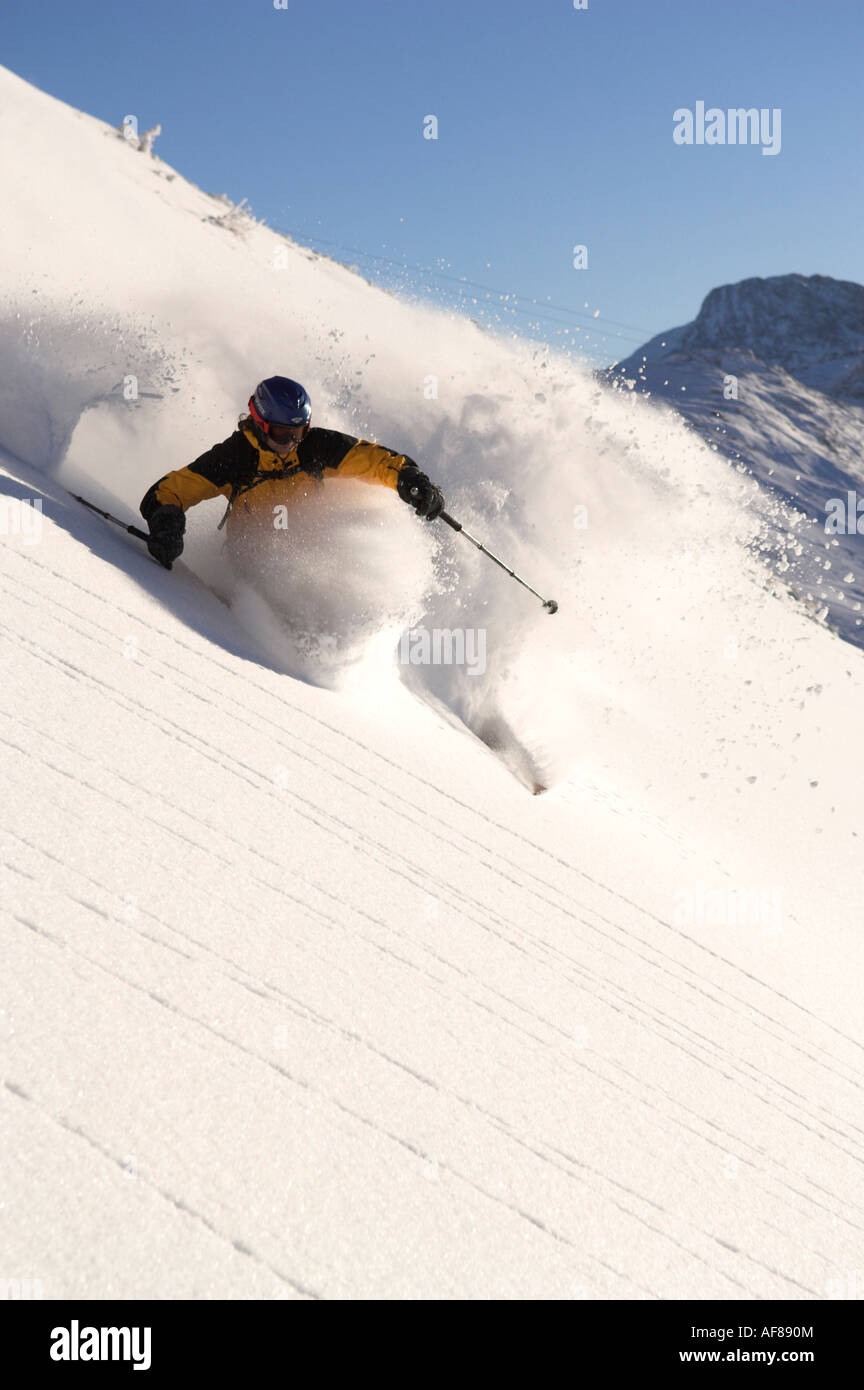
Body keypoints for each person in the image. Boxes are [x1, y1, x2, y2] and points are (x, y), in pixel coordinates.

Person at [140, 376, 444, 569]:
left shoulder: (316, 446)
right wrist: (166, 525)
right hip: (248, 564)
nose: (293, 442)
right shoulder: (234, 459)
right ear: (259, 424)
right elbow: (167, 492)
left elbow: (376, 461)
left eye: (300, 431)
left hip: (316, 555)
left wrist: (411, 481)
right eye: (283, 434)